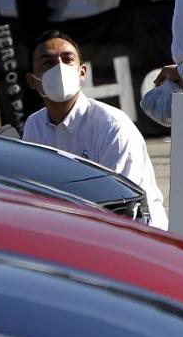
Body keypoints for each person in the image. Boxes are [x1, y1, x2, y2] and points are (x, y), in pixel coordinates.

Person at [22, 31, 169, 230]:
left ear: (82, 72)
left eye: (67, 59)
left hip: (135, 235)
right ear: (32, 80)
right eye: (48, 63)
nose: (60, 68)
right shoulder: (34, 126)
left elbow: (120, 205)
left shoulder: (112, 126)